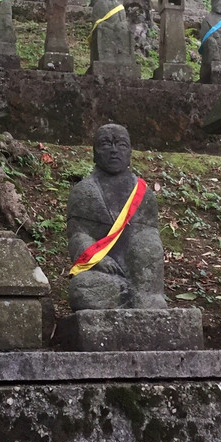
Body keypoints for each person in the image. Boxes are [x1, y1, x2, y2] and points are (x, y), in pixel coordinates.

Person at [67, 124, 167, 310]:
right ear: (95, 153)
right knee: (81, 290)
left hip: (138, 270)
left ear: (129, 152)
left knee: (148, 245)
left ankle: (144, 295)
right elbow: (78, 235)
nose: (114, 150)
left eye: (121, 144)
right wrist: (98, 259)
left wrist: (142, 258)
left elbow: (149, 234)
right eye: (106, 144)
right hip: (105, 272)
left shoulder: (142, 192)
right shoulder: (84, 191)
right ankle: (132, 295)